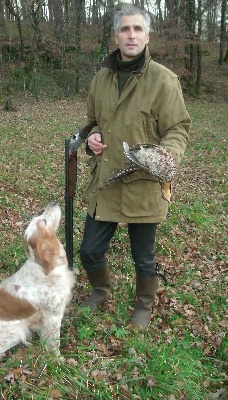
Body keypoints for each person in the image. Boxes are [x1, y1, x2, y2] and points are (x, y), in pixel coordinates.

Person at [79, 4, 191, 330]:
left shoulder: (163, 81)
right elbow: (91, 123)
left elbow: (177, 128)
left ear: (147, 35)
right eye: (125, 29)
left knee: (144, 258)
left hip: (143, 183)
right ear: (116, 35)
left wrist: (164, 157)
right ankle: (100, 291)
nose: (131, 35)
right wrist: (92, 138)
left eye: (137, 29)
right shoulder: (101, 78)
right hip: (107, 181)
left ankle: (144, 304)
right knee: (89, 251)